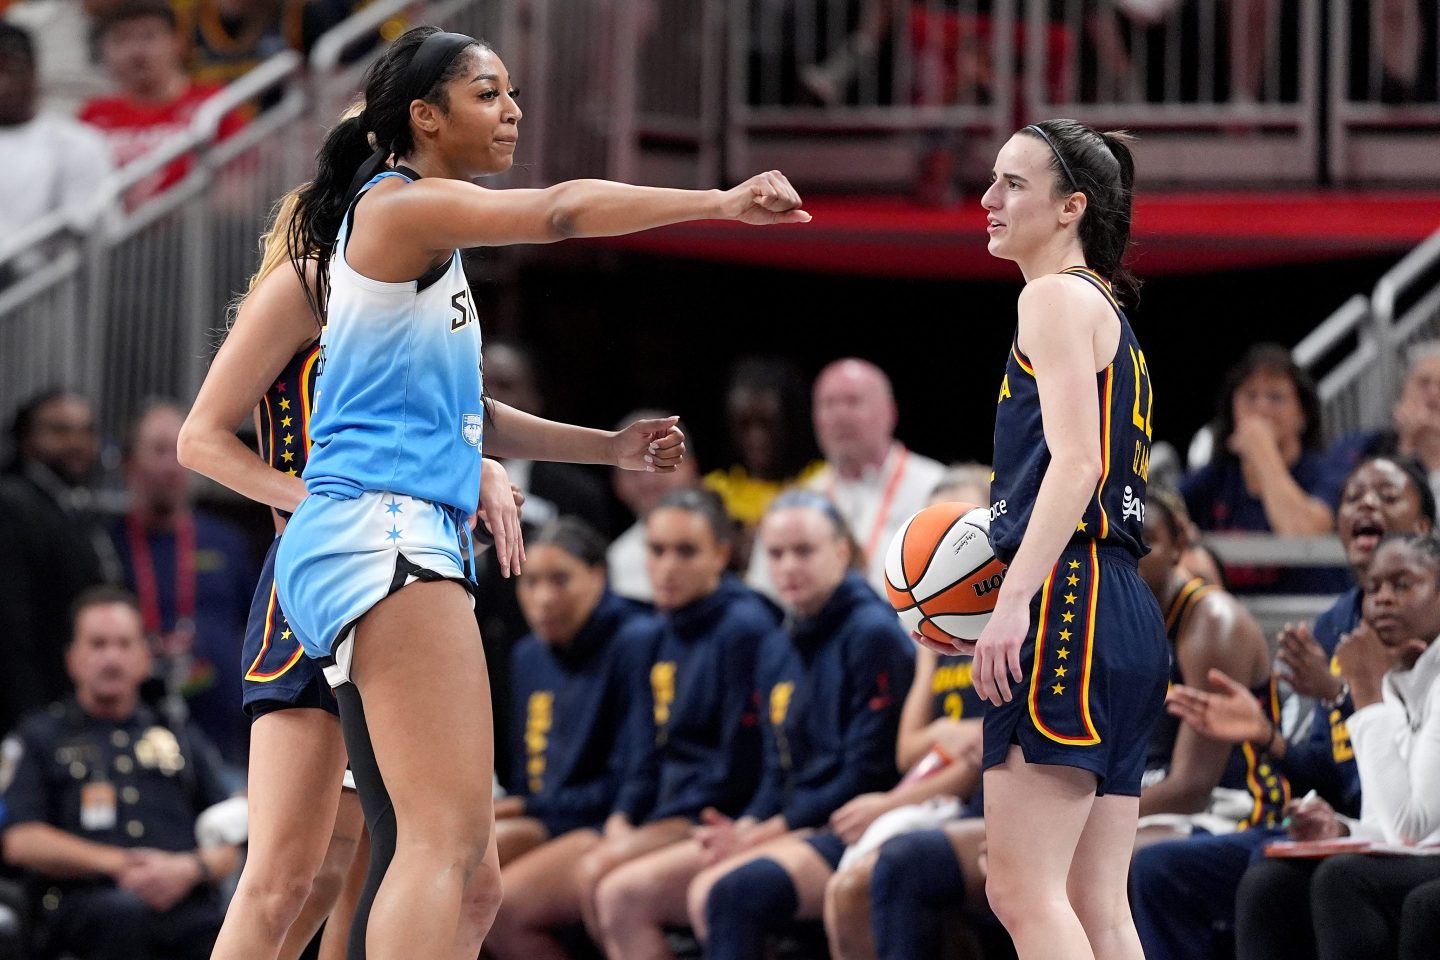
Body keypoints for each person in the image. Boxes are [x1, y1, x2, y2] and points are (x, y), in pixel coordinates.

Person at [271, 25, 806, 959]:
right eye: (488, 93)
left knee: (462, 871)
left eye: (514, 92)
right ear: (424, 116)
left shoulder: (423, 230)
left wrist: (611, 449)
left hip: (379, 536)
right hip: (380, 533)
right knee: (437, 850)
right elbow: (561, 210)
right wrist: (718, 199)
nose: (513, 109)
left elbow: (464, 413)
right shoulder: (400, 208)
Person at [177, 173, 522, 960]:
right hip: (322, 581)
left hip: (400, 570)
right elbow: (198, 438)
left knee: (392, 867)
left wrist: (489, 468)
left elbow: (454, 428)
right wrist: (305, 500)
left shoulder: (415, 312)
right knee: (290, 878)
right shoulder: (310, 290)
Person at [925, 117, 1166, 960]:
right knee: (1094, 904)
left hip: (1071, 596)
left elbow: (1077, 465)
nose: (988, 200)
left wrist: (1012, 601)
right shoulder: (1103, 310)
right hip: (1123, 608)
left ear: (1070, 207)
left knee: (1023, 890)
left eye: (1012, 185)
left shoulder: (1054, 297)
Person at [1134, 453, 1437, 960]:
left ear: (1425, 529)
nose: (1365, 503)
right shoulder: (1335, 627)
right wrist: (1268, 737)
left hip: (1390, 833)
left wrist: (1348, 693)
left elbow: (1411, 818)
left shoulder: (1413, 645)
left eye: (1386, 496)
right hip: (1352, 824)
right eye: (1351, 496)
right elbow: (1331, 769)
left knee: (1309, 878)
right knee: (1211, 876)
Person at [591, 491, 913, 960]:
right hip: (796, 819)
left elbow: (866, 772)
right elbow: (775, 769)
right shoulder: (782, 641)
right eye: (776, 554)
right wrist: (747, 825)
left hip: (855, 822)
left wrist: (769, 830)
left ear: (842, 551)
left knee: (720, 892)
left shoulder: (871, 633)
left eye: (803, 551)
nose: (787, 567)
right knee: (621, 895)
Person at [490, 490, 778, 960]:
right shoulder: (657, 629)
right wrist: (626, 815)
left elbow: (736, 764)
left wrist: (636, 824)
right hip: (654, 812)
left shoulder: (742, 627)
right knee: (502, 901)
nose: (666, 566)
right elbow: (642, 751)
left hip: (708, 815)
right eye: (656, 550)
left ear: (721, 554)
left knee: (600, 878)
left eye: (685, 551)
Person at [0, 586, 240, 960]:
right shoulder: (40, 736)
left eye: (124, 644)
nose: (111, 657)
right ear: (72, 658)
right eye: (98, 644)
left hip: (185, 901)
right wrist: (119, 864)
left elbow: (230, 836)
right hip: (87, 910)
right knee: (123, 917)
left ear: (144, 657)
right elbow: (21, 840)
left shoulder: (178, 733)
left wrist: (188, 868)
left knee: (233, 930)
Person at [1233, 532, 1440, 960]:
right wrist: (1343, 829)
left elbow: (1410, 827)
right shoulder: (1402, 677)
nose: (1383, 599)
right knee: (1270, 882)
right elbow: (1389, 824)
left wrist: (1363, 689)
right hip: (1421, 851)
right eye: (1373, 587)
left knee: (1346, 878)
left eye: (1403, 585)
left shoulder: (1389, 681)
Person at [491, 518, 657, 870]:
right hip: (545, 812)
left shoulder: (636, 640)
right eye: (531, 582)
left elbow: (630, 776)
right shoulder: (528, 655)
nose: (544, 598)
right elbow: (528, 775)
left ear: (599, 577)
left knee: (487, 851)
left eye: (560, 580)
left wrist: (523, 807)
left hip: (606, 819)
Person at [111, 400, 258, 768]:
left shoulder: (226, 542)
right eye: (159, 450)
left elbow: (258, 628)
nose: (172, 465)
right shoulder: (106, 545)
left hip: (223, 739)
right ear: (128, 465)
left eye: (179, 450)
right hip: (131, 737)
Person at [762, 357, 941, 596]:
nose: (839, 416)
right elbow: (764, 592)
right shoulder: (796, 502)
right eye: (828, 404)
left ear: (890, 412)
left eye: (852, 401)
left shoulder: (937, 488)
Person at [1181, 342, 1348, 594]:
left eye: (1276, 397)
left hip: (1309, 621)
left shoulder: (1328, 471)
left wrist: (1263, 452)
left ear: (1302, 415)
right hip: (1234, 624)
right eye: (1250, 396)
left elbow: (1301, 535)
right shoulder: (1215, 476)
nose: (1261, 409)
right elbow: (1164, 512)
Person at [0, 390, 121, 735]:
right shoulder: (12, 504)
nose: (77, 442)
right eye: (60, 430)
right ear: (26, 438)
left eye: (86, 430)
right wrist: (30, 721)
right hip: (33, 709)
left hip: (75, 703)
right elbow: (12, 623)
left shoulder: (74, 504)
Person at [79, 0, 246, 206]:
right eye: (121, 39)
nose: (136, 52)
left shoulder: (212, 103)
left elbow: (241, 183)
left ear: (177, 42)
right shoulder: (92, 115)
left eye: (149, 36)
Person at [0, 21, 114, 269]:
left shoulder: (78, 142)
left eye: (9, 68)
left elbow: (82, 225)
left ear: (33, 71)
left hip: (49, 288)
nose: (3, 84)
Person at [703, 357, 822, 569]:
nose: (756, 437)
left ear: (792, 421)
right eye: (744, 425)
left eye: (768, 423)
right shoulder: (713, 492)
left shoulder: (822, 484)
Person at [1330, 340, 1440, 505]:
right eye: (1423, 383)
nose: (1433, 393)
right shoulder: (1366, 445)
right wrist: (1406, 446)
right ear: (1403, 391)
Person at [606, 410, 700, 602]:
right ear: (618, 484)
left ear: (692, 468)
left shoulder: (739, 538)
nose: (650, 482)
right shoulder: (616, 560)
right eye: (635, 471)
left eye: (661, 463)